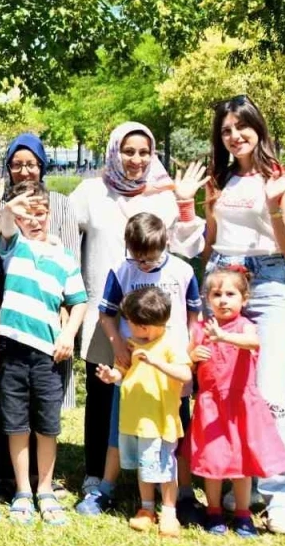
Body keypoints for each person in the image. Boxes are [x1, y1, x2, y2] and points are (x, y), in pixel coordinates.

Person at [69, 122, 206, 501]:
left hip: (162, 327)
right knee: (104, 398)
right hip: (107, 313)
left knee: (167, 399)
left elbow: (189, 249)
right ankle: (97, 474)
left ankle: (172, 482)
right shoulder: (91, 193)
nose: (136, 159)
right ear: (114, 151)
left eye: (144, 152)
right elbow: (62, 231)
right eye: (128, 151)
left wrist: (185, 201)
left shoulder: (163, 195)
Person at [203, 95, 285, 534]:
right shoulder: (220, 179)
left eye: (241, 127)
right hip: (221, 279)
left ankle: (282, 495)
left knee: (270, 391)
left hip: (266, 281)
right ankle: (244, 481)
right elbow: (211, 239)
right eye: (226, 130)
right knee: (226, 388)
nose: (234, 136)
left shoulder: (283, 178)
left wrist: (273, 204)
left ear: (257, 127)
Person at [0, 133, 81, 503]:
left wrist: (67, 324)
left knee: (43, 409)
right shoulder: (6, 218)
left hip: (45, 328)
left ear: (42, 166)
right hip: (6, 326)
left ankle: (42, 480)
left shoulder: (58, 212)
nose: (24, 170)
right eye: (17, 163)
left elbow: (73, 282)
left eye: (31, 163)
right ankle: (11, 479)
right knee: (9, 408)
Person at [78, 212, 201, 518]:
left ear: (166, 243)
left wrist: (190, 352)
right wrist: (117, 345)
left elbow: (194, 316)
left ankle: (183, 494)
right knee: (119, 429)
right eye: (137, 258)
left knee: (176, 431)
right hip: (132, 366)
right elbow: (106, 314)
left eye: (150, 258)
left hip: (171, 368)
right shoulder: (122, 270)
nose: (143, 265)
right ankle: (105, 488)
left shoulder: (183, 271)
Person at [189, 267, 285, 538]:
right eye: (216, 294)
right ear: (207, 299)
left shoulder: (245, 325)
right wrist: (194, 356)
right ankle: (213, 510)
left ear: (244, 299)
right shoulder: (201, 328)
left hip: (241, 405)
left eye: (230, 294)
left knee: (242, 461)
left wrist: (223, 336)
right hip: (211, 406)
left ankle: (243, 514)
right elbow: (188, 359)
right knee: (212, 460)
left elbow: (252, 342)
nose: (223, 300)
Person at [94, 286, 192, 538]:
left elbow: (185, 374)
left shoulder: (170, 344)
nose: (128, 327)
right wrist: (111, 376)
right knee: (144, 466)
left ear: (145, 326)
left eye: (130, 322)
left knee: (165, 468)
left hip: (159, 421)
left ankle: (169, 511)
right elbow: (123, 372)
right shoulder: (132, 343)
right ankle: (146, 508)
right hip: (134, 420)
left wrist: (157, 362)